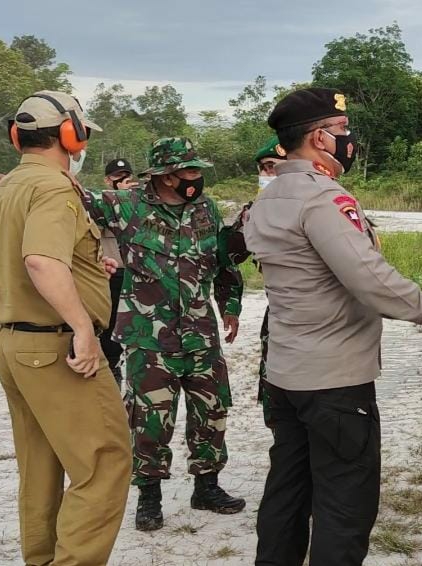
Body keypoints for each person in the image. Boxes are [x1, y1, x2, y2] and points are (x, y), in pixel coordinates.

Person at [245, 87, 422, 566]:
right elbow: (368, 278)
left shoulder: (268, 197)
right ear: (319, 138)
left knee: (286, 493)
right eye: (342, 131)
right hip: (334, 382)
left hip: (285, 373)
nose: (349, 140)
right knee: (344, 506)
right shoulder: (322, 198)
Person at [80, 137, 246, 532]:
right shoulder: (124, 205)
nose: (197, 178)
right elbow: (67, 200)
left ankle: (206, 486)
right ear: (166, 176)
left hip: (200, 333)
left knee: (212, 410)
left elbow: (223, 262)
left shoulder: (205, 208)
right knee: (149, 420)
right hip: (147, 336)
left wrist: (231, 306)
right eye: (190, 171)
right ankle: (149, 496)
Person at [0, 90, 131, 565]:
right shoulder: (53, 188)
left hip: (17, 345)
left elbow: (26, 259)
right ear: (69, 134)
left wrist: (86, 272)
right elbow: (39, 260)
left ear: (19, 137)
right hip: (55, 347)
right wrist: (82, 327)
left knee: (41, 468)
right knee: (105, 463)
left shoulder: (10, 185)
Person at [223, 135, 286, 429]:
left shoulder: (326, 204)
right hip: (277, 315)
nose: (266, 175)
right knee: (277, 400)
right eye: (262, 169)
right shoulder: (255, 210)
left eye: (273, 167)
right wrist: (246, 224)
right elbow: (229, 257)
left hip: (319, 318)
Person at [99, 157, 139, 385]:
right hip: (111, 275)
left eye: (127, 177)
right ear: (108, 180)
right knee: (110, 328)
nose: (124, 181)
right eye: (118, 178)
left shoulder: (137, 202)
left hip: (134, 274)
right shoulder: (100, 204)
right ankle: (113, 372)